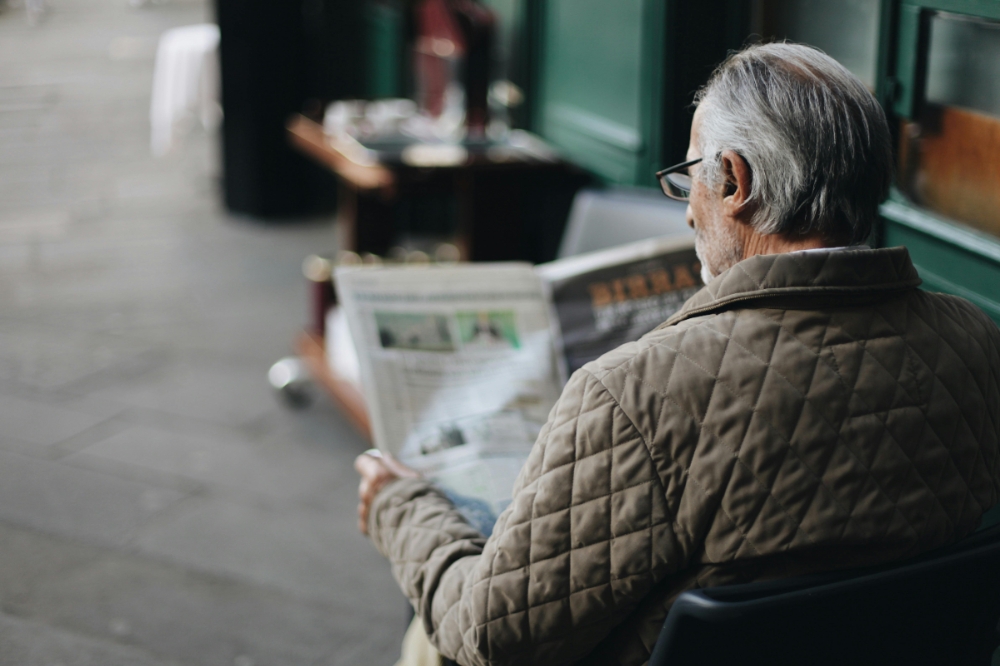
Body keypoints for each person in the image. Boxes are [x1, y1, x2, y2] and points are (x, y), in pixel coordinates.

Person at [354, 42, 1000, 666]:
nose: (689, 213)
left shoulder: (636, 394)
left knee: (435, 626)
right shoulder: (976, 340)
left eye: (691, 173)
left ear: (734, 181)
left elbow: (493, 638)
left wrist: (399, 506)